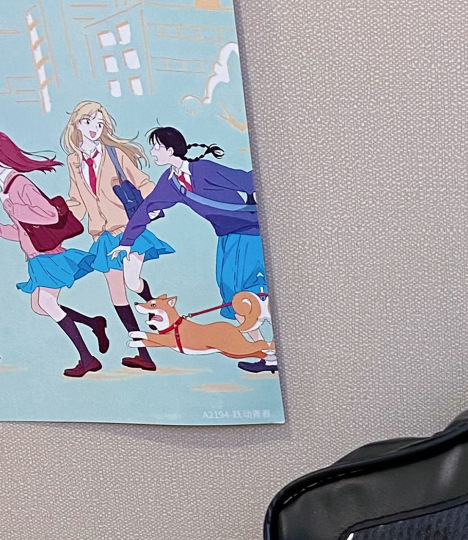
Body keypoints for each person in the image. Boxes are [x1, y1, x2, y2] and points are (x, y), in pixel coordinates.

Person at [115, 126, 273, 373]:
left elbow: (246, 180)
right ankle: (266, 353)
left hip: (249, 231)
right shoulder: (171, 182)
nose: (153, 152)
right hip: (227, 237)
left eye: (157, 147)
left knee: (249, 291)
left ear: (170, 150)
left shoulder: (204, 170)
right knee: (231, 293)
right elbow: (147, 208)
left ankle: (274, 350)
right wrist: (127, 242)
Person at [62, 101, 173, 372]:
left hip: (128, 229)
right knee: (117, 294)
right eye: (88, 122)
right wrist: (57, 222)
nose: (94, 128)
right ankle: (143, 353)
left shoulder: (115, 154)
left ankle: (157, 312)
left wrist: (155, 204)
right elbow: (77, 201)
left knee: (133, 281)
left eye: (99, 124)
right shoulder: (74, 161)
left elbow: (142, 182)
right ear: (77, 124)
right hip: (102, 236)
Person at [0, 132, 105, 378]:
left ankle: (88, 359)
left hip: (47, 256)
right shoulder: (6, 189)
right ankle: (93, 323)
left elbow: (50, 215)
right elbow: (24, 231)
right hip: (36, 256)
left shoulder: (19, 185)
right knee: (39, 306)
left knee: (46, 303)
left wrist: (14, 207)